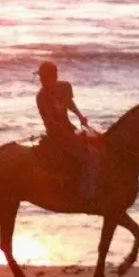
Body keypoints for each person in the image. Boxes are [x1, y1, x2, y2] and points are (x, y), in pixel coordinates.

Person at [35, 61, 98, 197]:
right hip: (56, 133)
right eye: (41, 77)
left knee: (97, 143)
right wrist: (71, 135)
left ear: (54, 77)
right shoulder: (41, 97)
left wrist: (80, 117)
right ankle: (87, 193)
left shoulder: (64, 87)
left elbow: (69, 103)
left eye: (44, 77)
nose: (41, 80)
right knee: (89, 156)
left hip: (69, 128)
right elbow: (50, 122)